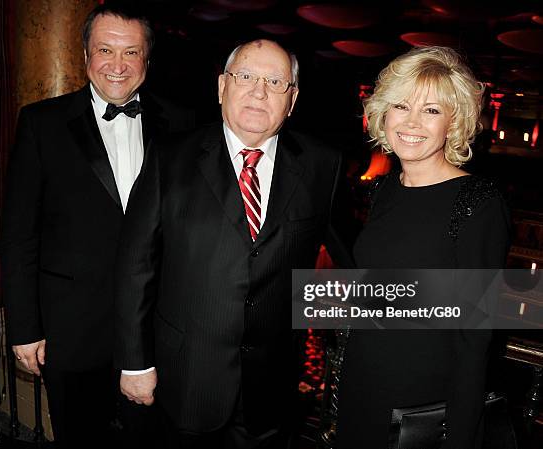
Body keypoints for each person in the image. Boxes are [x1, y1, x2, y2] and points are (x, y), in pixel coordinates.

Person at [114, 39, 353, 449]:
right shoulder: (169, 158)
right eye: (246, 77)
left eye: (275, 82)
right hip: (186, 378)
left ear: (292, 99)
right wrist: (135, 363)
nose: (259, 92)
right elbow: (135, 265)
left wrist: (444, 303)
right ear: (222, 86)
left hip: (273, 388)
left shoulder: (322, 165)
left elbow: (354, 257)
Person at [0, 3, 193, 445]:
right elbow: (19, 234)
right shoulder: (41, 123)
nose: (118, 65)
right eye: (105, 49)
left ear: (147, 59)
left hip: (156, 333)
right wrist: (25, 327)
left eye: (131, 52)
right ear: (85, 55)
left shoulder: (182, 124)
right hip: (71, 330)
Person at [332, 46, 511, 448]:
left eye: (431, 110)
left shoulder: (478, 203)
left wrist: (460, 437)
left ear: (454, 121)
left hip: (421, 410)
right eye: (401, 106)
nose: (411, 122)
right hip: (363, 389)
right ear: (383, 114)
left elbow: (476, 336)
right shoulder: (383, 190)